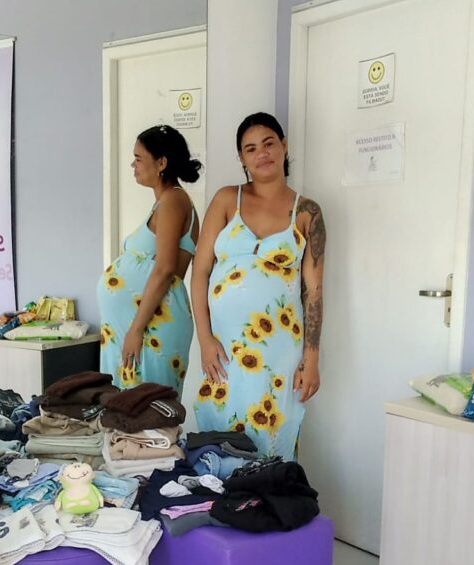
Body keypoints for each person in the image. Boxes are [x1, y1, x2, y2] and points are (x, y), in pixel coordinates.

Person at [191, 112, 326, 460]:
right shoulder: (226, 199)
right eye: (250, 149)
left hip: (279, 348)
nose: (261, 154)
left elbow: (313, 291)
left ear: (284, 146)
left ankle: (270, 493)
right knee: (220, 430)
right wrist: (204, 339)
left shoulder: (307, 212)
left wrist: (311, 359)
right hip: (225, 346)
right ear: (241, 158)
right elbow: (200, 272)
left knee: (272, 430)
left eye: (268, 144)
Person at [97, 125, 201, 394]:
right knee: (126, 407)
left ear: (161, 163)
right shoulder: (164, 202)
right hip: (141, 325)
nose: (133, 165)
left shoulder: (173, 201)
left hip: (152, 327)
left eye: (138, 158)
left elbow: (165, 268)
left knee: (146, 407)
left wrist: (136, 329)